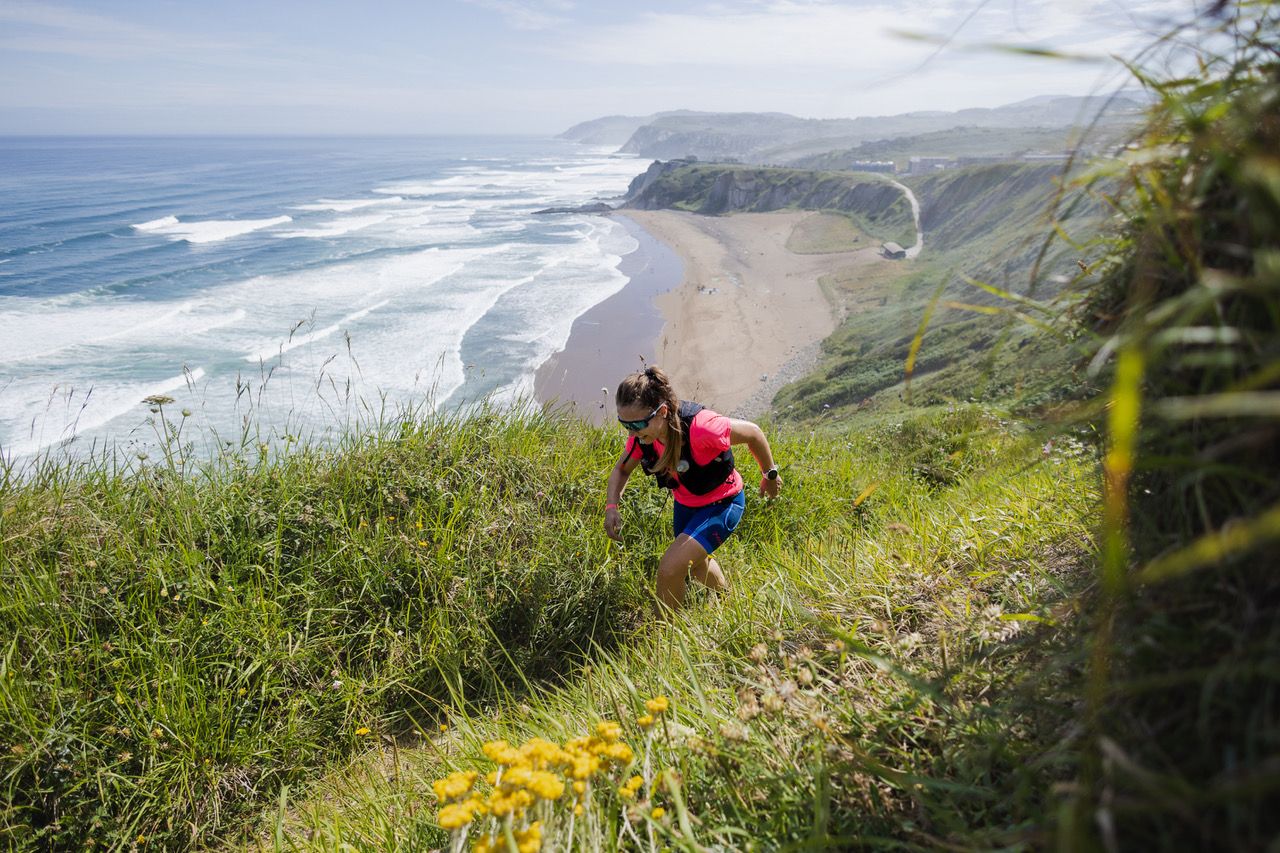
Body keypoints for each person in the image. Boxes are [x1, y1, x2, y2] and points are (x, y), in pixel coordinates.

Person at [604, 366, 781, 610]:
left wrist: (769, 475)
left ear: (662, 411)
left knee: (670, 568)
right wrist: (612, 506)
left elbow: (754, 433)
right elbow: (621, 470)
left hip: (723, 503)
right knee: (697, 565)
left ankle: (664, 636)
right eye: (625, 425)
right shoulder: (643, 438)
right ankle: (727, 603)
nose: (632, 433)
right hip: (687, 505)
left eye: (638, 425)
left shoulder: (703, 428)